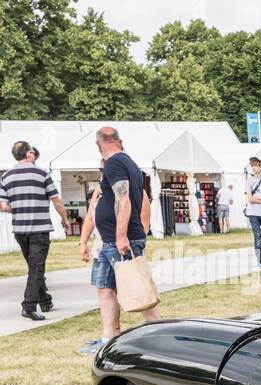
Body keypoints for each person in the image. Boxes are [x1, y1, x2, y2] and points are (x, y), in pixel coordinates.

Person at [78, 127, 160, 354]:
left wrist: (121, 235)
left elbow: (123, 199)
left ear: (98, 144)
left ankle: (160, 336)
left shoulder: (114, 163)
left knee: (138, 289)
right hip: (107, 241)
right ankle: (108, 339)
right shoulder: (125, 162)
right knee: (104, 288)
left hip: (120, 239)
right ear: (119, 141)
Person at [0, 140, 70, 321]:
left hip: (19, 230)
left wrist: (20, 206)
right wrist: (65, 219)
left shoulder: (6, 176)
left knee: (34, 267)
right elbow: (56, 201)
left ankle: (45, 301)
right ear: (29, 154)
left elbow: (3, 205)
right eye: (32, 151)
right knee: (37, 267)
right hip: (39, 228)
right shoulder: (42, 174)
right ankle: (28, 306)